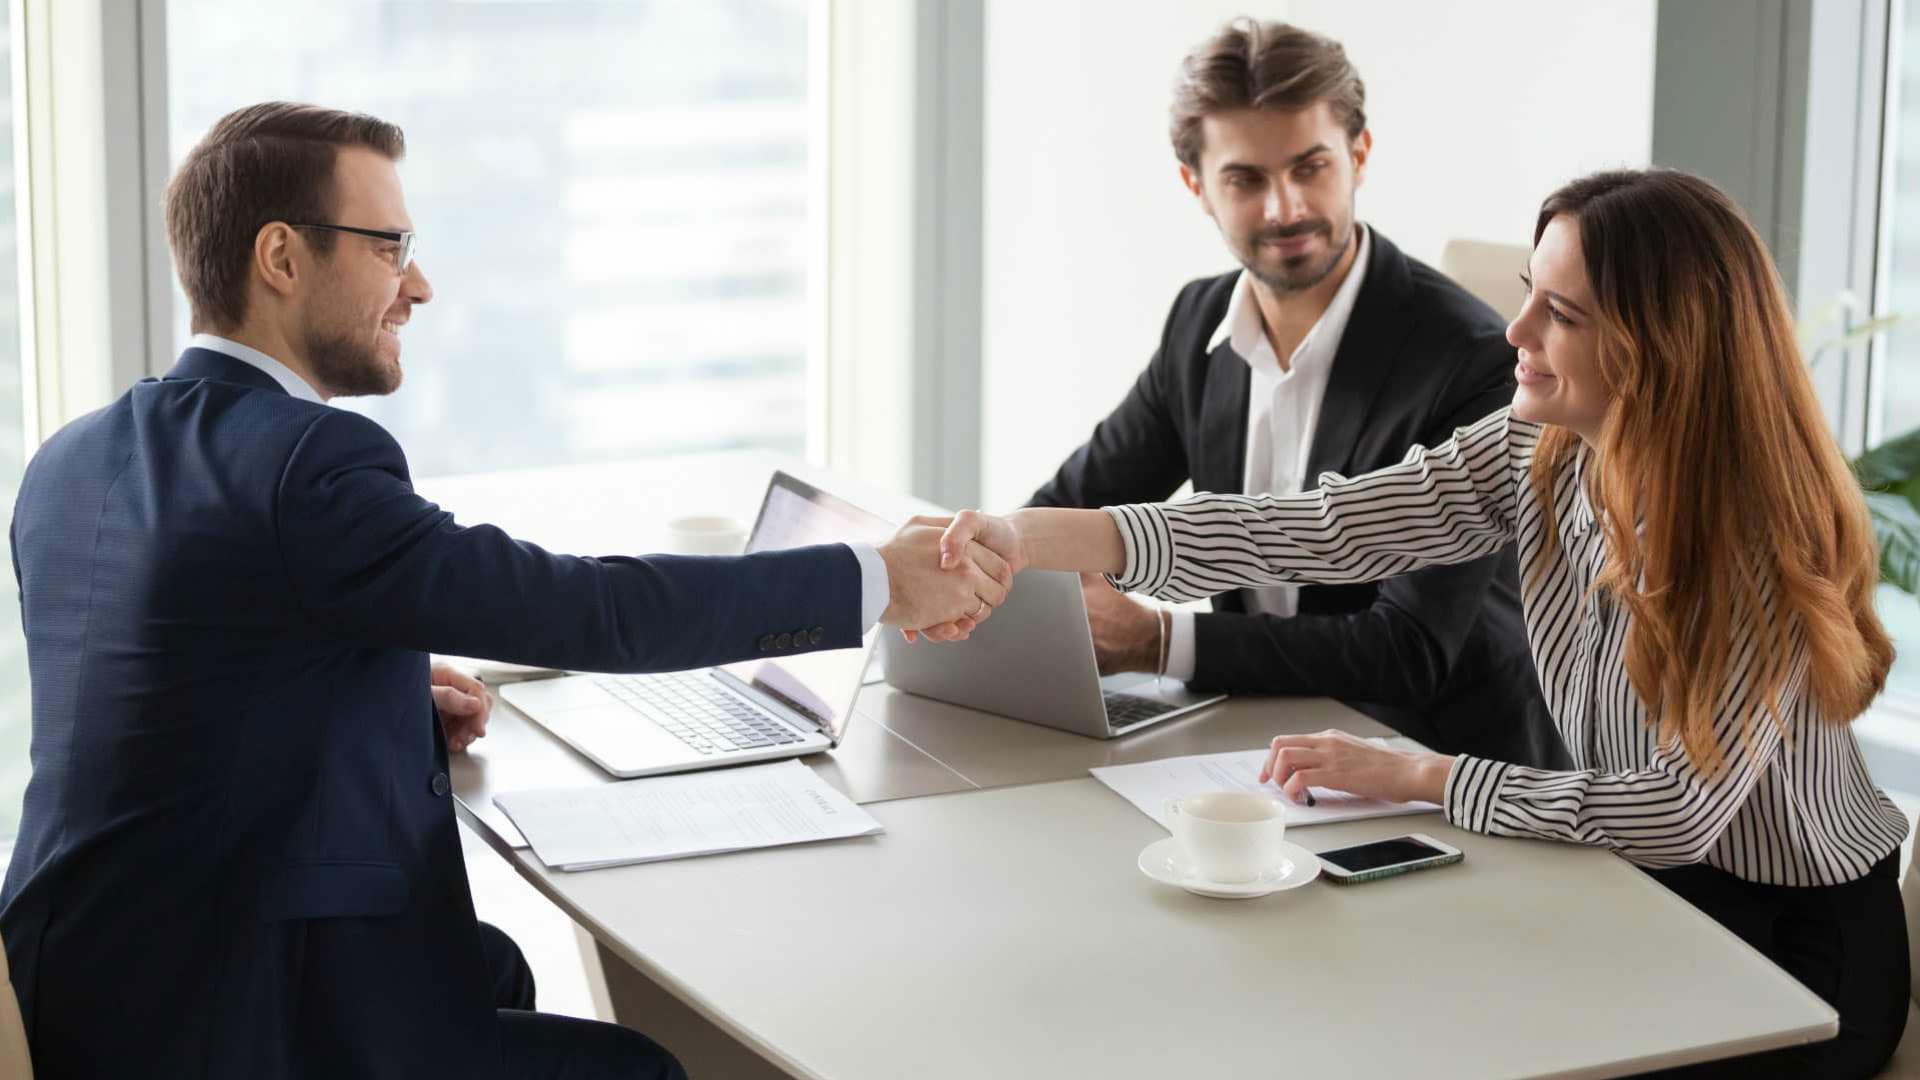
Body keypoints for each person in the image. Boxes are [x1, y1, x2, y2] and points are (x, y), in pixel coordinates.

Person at [0, 102, 1009, 1080]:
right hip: (236, 1019)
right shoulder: (306, 461)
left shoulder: (71, 460)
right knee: (646, 1067)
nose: (420, 286)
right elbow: (579, 607)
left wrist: (371, 697)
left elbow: (164, 696)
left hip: (85, 978)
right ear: (280, 258)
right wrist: (875, 578)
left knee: (497, 970)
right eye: (389, 246)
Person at [938, 169, 1910, 1077]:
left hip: (1792, 947)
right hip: (1632, 890)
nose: (1514, 329)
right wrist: (1023, 536)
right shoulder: (1544, 449)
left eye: (1559, 313)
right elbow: (1321, 529)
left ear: (1659, 346)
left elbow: (1677, 814)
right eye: (1529, 290)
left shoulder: (1746, 539)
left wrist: (1420, 777)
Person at [1026, 18, 1563, 768]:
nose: (1285, 208)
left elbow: (1407, 650)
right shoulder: (1200, 322)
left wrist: (1156, 639)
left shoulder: (1472, 359)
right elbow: (1069, 512)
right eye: (1246, 179)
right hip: (1256, 749)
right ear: (1197, 186)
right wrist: (978, 558)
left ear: (1358, 156)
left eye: (1310, 167)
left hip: (1437, 768)